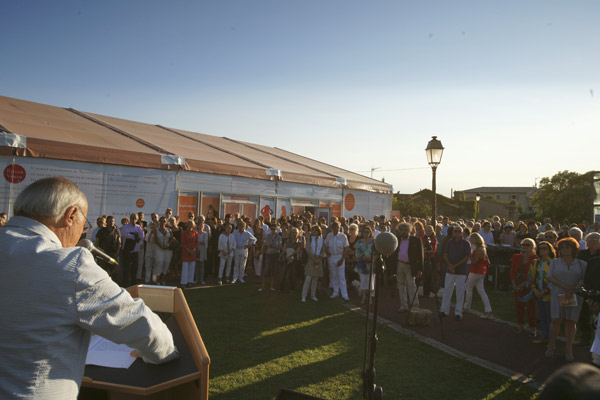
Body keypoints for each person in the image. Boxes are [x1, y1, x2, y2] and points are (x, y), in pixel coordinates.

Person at [0, 177, 177, 399]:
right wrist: (162, 353)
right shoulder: (68, 264)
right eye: (84, 223)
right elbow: (147, 331)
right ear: (71, 215)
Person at [546, 237, 587, 361]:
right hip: (558, 293)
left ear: (573, 249)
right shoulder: (555, 262)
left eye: (567, 247)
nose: (564, 249)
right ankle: (551, 346)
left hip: (573, 295)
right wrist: (564, 286)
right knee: (556, 319)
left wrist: (574, 288)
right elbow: (550, 276)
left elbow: (584, 279)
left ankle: (568, 348)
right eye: (562, 247)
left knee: (570, 321)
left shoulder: (581, 264)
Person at [392, 222, 424, 313]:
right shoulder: (397, 240)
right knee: (401, 285)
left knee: (411, 285)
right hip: (399, 264)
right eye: (402, 230)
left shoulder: (416, 240)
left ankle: (415, 305)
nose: (404, 232)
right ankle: (404, 306)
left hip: (410, 266)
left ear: (409, 230)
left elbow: (420, 256)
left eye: (406, 230)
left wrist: (420, 269)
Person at [440, 226, 471, 320]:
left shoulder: (466, 243)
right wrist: (450, 265)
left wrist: (455, 266)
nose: (457, 233)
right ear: (453, 232)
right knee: (447, 290)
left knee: (460, 292)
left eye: (459, 231)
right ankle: (444, 310)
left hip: (461, 271)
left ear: (462, 233)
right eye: (455, 231)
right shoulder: (450, 242)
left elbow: (466, 257)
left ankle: (458, 313)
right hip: (450, 270)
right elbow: (445, 255)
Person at [528, 241, 555, 344]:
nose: (542, 250)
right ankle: (544, 336)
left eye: (545, 248)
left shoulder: (553, 263)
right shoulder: (534, 262)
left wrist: (545, 291)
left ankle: (551, 340)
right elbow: (531, 277)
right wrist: (535, 289)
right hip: (537, 293)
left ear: (549, 250)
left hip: (549, 295)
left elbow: (555, 279)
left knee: (550, 318)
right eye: (541, 248)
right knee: (542, 317)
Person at [510, 238, 538, 337]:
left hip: (529, 285)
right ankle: (520, 325)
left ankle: (532, 327)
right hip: (517, 284)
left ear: (533, 246)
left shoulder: (535, 258)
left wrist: (525, 283)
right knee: (519, 306)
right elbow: (512, 271)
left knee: (531, 308)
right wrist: (514, 283)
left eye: (528, 245)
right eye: (523, 245)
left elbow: (534, 274)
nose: (525, 247)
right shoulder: (516, 257)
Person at [464, 233, 493, 318]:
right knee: (481, 291)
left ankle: (466, 307)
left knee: (469, 288)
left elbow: (474, 261)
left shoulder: (478, 249)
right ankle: (488, 309)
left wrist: (469, 254)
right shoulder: (483, 248)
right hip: (481, 271)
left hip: (475, 271)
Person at [325, 222, 350, 301]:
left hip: (340, 257)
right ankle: (335, 292)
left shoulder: (343, 236)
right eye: (334, 227)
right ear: (331, 228)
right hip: (331, 257)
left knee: (341, 276)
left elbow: (346, 248)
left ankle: (344, 295)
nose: (336, 229)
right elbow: (325, 244)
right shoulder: (329, 236)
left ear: (339, 228)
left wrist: (342, 259)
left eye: (337, 227)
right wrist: (327, 252)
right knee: (333, 276)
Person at [302, 225, 325, 302]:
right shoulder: (309, 238)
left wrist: (319, 258)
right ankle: (304, 296)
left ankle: (313, 295)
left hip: (318, 259)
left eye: (316, 230)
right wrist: (312, 257)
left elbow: (322, 250)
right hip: (311, 259)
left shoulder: (322, 240)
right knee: (308, 278)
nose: (314, 232)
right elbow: (308, 248)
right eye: (313, 230)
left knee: (315, 278)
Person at [121, 213, 144, 286]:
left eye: (135, 218)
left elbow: (142, 236)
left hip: (135, 250)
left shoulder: (138, 227)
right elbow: (126, 235)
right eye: (132, 218)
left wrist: (133, 235)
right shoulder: (126, 226)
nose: (134, 220)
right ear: (130, 218)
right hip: (127, 250)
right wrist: (135, 236)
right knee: (126, 267)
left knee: (135, 267)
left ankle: (133, 282)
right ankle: (125, 282)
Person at [355, 225, 375, 304]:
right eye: (364, 232)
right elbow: (357, 252)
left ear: (370, 233)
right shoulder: (359, 242)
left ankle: (370, 297)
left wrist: (371, 258)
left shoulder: (373, 241)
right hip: (362, 263)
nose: (366, 233)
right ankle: (363, 296)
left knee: (370, 281)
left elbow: (376, 252)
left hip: (371, 263)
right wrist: (363, 257)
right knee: (363, 280)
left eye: (368, 232)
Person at [260, 222, 282, 292]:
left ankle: (272, 286)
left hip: (276, 254)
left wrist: (271, 244)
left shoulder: (279, 237)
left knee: (274, 270)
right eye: (272, 229)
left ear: (276, 229)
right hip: (268, 254)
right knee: (266, 270)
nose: (273, 230)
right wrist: (272, 243)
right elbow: (266, 243)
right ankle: (263, 286)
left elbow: (279, 246)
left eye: (274, 229)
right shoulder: (268, 236)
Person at [153, 216, 174, 285]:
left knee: (166, 264)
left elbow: (172, 238)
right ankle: (157, 280)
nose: (163, 222)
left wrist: (168, 245)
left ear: (166, 222)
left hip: (168, 250)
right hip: (159, 249)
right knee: (159, 263)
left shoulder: (169, 230)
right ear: (159, 222)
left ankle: (163, 280)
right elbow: (155, 240)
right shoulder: (156, 230)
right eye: (161, 221)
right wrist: (161, 246)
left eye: (164, 221)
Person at [180, 220, 198, 288]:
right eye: (189, 224)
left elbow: (197, 243)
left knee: (192, 268)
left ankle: (190, 282)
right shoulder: (184, 233)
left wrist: (193, 250)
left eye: (191, 224)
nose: (190, 226)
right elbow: (183, 243)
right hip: (186, 252)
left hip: (193, 252)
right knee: (185, 268)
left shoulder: (195, 233)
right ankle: (184, 283)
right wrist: (188, 250)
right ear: (187, 225)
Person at [421, 225, 437, 298]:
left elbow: (433, 250)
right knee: (424, 275)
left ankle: (430, 291)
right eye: (427, 230)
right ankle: (425, 292)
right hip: (423, 258)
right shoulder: (422, 239)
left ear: (432, 231)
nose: (428, 232)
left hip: (431, 259)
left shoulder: (433, 239)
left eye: (430, 231)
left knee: (430, 275)